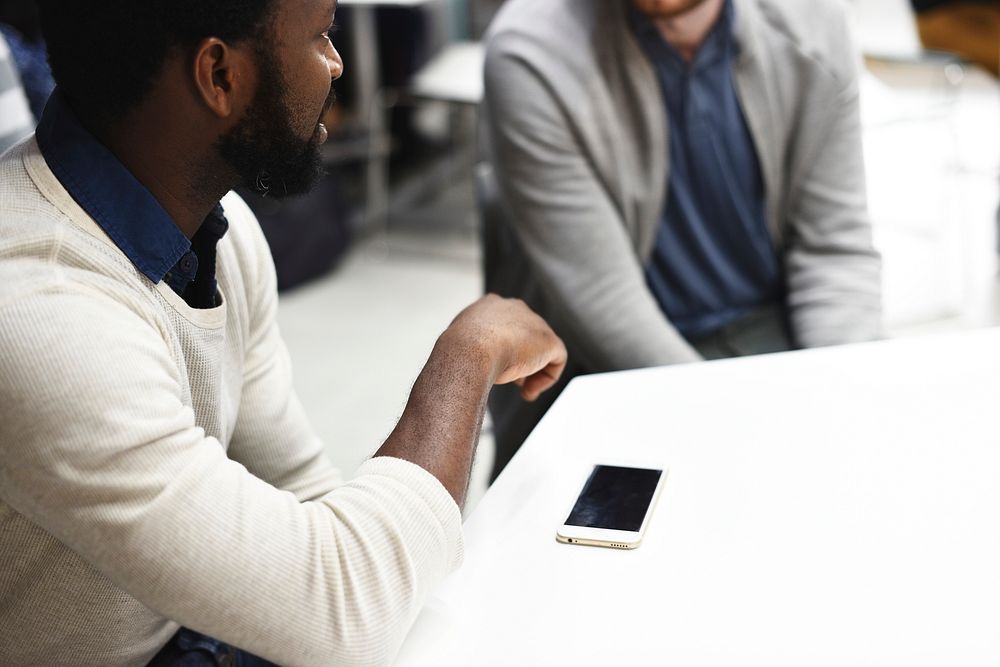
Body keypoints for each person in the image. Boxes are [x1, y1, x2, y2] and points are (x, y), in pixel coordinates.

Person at [0, 1, 566, 666]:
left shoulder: (223, 234)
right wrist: (468, 357)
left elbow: (306, 496)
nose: (337, 64)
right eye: (322, 34)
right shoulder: (42, 315)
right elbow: (342, 608)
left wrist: (367, 574)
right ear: (219, 75)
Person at [481, 0, 884, 478]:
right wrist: (742, 434)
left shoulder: (811, 21)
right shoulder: (533, 51)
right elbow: (603, 301)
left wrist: (836, 390)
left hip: (774, 330)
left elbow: (834, 249)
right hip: (605, 368)